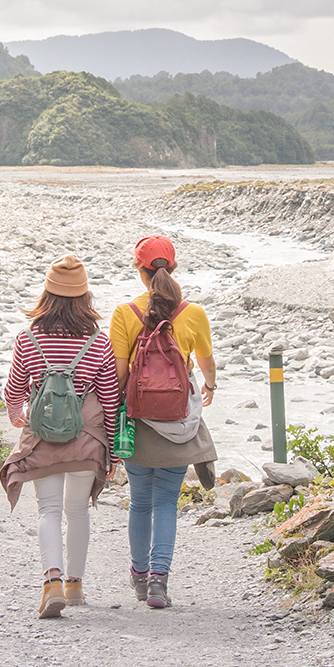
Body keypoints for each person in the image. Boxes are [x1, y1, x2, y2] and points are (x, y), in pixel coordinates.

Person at [0, 254, 119, 619]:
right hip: (86, 439)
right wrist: (113, 450)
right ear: (84, 297)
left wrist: (16, 415)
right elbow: (110, 399)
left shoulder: (28, 338)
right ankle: (75, 585)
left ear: (46, 294)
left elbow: (14, 389)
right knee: (77, 510)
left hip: (43, 439)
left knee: (48, 510)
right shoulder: (99, 342)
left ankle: (51, 582)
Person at [109, 234, 218, 609]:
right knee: (167, 502)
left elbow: (119, 375)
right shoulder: (193, 312)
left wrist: (119, 413)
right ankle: (159, 582)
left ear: (139, 271)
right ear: (172, 268)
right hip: (178, 423)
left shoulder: (125, 313)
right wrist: (210, 386)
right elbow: (206, 363)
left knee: (140, 501)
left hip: (139, 422)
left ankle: (139, 576)